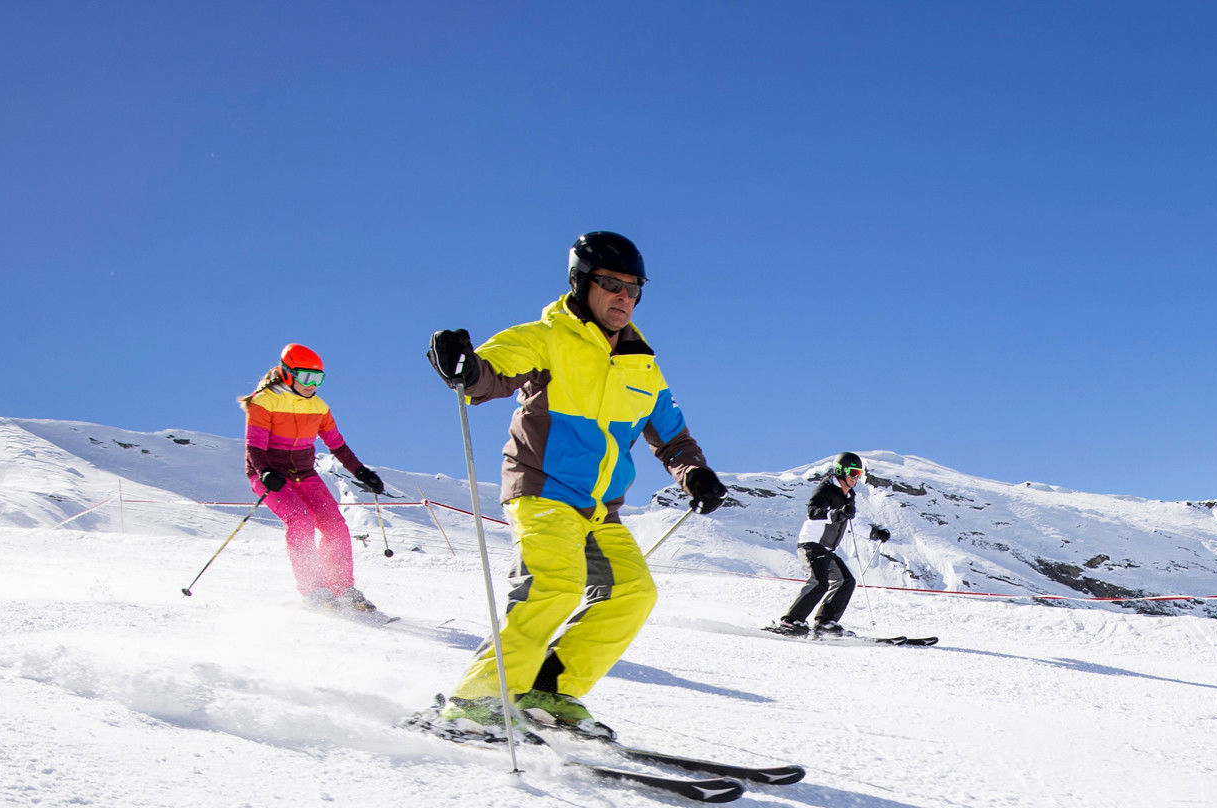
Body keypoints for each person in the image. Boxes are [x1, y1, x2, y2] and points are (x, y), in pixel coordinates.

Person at [425, 231, 726, 734]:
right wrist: (464, 366)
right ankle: (476, 701)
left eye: (634, 288)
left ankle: (549, 693)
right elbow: (489, 373)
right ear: (581, 282)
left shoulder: (643, 367)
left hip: (600, 508)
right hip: (542, 489)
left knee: (632, 593)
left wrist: (694, 473)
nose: (624, 297)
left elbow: (673, 438)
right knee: (554, 586)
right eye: (611, 284)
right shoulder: (545, 338)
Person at [239, 343, 387, 612]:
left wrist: (361, 472)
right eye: (306, 377)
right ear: (287, 374)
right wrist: (265, 471)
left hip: (304, 474)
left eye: (318, 379)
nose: (312, 385)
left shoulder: (319, 407)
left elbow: (337, 445)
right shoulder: (263, 402)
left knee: (335, 525)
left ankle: (343, 589)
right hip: (269, 474)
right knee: (300, 520)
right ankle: (314, 590)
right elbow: (255, 445)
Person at [765, 452, 889, 637]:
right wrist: (837, 513)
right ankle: (790, 621)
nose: (856, 478)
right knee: (819, 582)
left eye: (859, 474)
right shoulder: (825, 489)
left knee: (846, 581)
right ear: (840, 471)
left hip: (826, 549)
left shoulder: (848, 495)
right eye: (853, 473)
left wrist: (875, 533)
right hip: (811, 544)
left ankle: (825, 623)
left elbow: (851, 521)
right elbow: (814, 513)